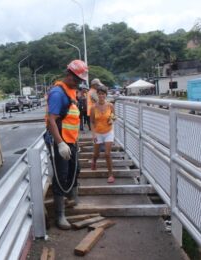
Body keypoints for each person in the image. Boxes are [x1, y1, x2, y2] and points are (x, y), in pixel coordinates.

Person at [44, 59, 88, 230]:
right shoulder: (58, 93)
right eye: (76, 79)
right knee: (61, 176)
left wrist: (72, 141)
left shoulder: (71, 91)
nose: (78, 83)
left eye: (80, 80)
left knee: (75, 169)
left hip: (71, 140)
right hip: (59, 141)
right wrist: (60, 144)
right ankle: (60, 215)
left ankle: (72, 197)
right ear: (68, 74)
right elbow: (51, 122)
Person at [90, 85, 116, 183]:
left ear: (106, 95)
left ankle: (110, 174)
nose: (101, 96)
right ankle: (94, 161)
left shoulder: (110, 106)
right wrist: (93, 134)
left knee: (107, 154)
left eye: (103, 94)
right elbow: (92, 122)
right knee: (96, 153)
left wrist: (111, 120)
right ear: (97, 95)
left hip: (108, 132)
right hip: (98, 133)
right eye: (99, 94)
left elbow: (114, 116)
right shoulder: (93, 107)